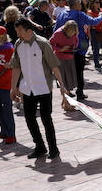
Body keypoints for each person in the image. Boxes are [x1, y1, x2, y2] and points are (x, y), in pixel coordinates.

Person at [9, 18, 69, 159]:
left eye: (19, 31)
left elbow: (54, 66)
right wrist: (13, 88)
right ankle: (40, 146)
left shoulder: (42, 43)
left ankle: (53, 149)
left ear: (29, 31)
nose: (17, 33)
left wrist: (62, 86)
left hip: (43, 88)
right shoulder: (18, 44)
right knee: (29, 118)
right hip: (27, 88)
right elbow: (16, 67)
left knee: (46, 119)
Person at [54, 0, 102, 100]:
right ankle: (79, 92)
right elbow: (94, 22)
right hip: (79, 47)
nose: (81, 4)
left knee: (67, 70)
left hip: (66, 47)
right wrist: (101, 16)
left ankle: (68, 91)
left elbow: (55, 30)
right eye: (79, 2)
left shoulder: (62, 15)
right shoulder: (80, 14)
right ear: (76, 4)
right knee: (79, 70)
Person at [50, 20, 79, 111]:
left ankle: (65, 102)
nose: (72, 34)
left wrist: (74, 44)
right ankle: (66, 103)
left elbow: (76, 43)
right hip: (60, 59)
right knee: (63, 82)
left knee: (69, 81)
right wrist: (60, 49)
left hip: (69, 57)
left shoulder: (75, 33)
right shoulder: (58, 33)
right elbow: (50, 43)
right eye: (71, 32)